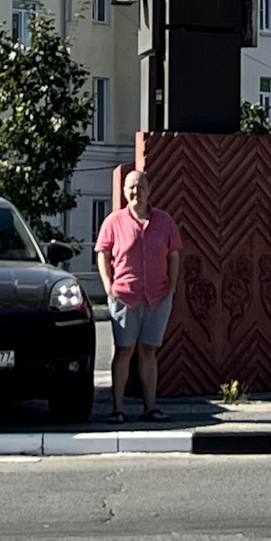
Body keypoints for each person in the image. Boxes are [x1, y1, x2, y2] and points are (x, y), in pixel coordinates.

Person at [95, 169, 183, 424]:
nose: (136, 192)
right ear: (124, 192)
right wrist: (108, 286)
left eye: (140, 187)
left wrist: (172, 288)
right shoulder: (114, 221)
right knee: (124, 350)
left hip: (157, 296)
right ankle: (117, 409)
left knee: (148, 351)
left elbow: (174, 255)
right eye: (131, 187)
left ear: (149, 189)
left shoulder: (165, 221)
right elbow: (102, 253)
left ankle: (150, 407)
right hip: (124, 295)